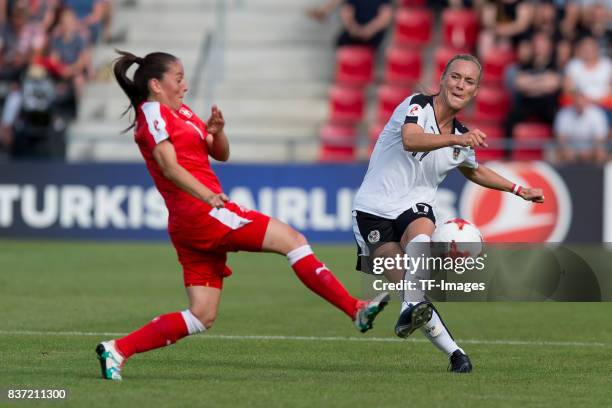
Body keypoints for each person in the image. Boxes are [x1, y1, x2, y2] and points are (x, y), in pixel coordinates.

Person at [95, 50, 390, 381]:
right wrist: (206, 195)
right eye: (178, 79)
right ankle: (355, 309)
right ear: (156, 84)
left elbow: (219, 154)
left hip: (193, 221)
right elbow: (168, 165)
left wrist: (217, 132)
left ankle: (117, 350)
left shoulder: (181, 113)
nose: (185, 85)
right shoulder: (152, 113)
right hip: (203, 213)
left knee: (202, 315)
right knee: (293, 240)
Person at [352, 54, 545, 373]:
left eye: (469, 81)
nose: (460, 84)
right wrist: (458, 139)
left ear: (476, 91)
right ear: (442, 79)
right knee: (411, 290)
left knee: (422, 225)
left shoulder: (462, 138)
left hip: (413, 207)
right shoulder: (416, 105)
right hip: (372, 211)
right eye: (455, 77)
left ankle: (426, 324)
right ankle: (455, 353)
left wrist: (518, 190)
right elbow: (411, 139)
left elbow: (474, 170)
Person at [554, 90, 608, 164]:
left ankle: (598, 174)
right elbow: (561, 137)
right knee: (558, 154)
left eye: (582, 99)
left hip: (592, 149)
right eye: (577, 99)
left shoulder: (597, 113)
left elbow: (600, 138)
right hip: (570, 149)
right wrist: (567, 149)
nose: (580, 102)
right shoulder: (564, 113)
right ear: (573, 100)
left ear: (586, 100)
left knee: (600, 153)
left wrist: (589, 151)